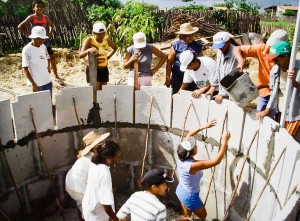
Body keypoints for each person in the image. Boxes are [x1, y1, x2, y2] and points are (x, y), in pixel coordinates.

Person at [176, 119, 231, 219]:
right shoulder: (192, 165)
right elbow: (216, 161)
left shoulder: (181, 153)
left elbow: (190, 134)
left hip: (181, 190)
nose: (196, 145)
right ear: (192, 152)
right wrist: (225, 142)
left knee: (186, 217)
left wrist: (204, 126)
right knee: (203, 215)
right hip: (190, 195)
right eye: (195, 146)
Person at [234, 29, 288, 114]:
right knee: (260, 115)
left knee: (276, 118)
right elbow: (237, 49)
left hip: (279, 93)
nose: (271, 50)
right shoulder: (262, 49)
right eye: (270, 47)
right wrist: (241, 62)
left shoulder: (287, 59)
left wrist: (261, 85)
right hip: (264, 93)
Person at [256, 41, 300, 141]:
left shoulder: (298, 69)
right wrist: (268, 109)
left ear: (287, 57)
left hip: (296, 113)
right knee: (282, 138)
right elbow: (273, 92)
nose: (274, 62)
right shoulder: (275, 70)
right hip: (282, 111)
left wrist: (295, 82)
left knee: (289, 140)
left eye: (277, 59)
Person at [65, 131, 110, 220]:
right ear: (96, 147)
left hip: (72, 182)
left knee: (82, 204)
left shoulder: (90, 156)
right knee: (88, 208)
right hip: (77, 185)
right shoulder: (93, 160)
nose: (103, 145)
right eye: (101, 144)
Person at [18, 0, 61, 82]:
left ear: (44, 8)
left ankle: (55, 75)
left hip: (44, 41)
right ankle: (34, 76)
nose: (40, 8)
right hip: (35, 42)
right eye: (37, 6)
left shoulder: (45, 18)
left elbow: (51, 25)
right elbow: (20, 26)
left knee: (51, 57)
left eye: (41, 6)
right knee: (36, 58)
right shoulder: (32, 17)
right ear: (34, 8)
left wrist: (49, 33)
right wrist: (29, 34)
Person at [82, 139, 121, 221]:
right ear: (110, 155)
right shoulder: (104, 173)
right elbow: (106, 203)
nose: (119, 155)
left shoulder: (95, 164)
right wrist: (115, 219)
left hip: (89, 206)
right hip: (97, 215)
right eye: (118, 153)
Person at [166, 23, 203, 94]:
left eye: (190, 35)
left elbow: (201, 61)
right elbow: (169, 63)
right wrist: (167, 78)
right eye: (185, 36)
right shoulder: (176, 45)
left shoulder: (197, 46)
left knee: (191, 97)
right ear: (181, 36)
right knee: (177, 96)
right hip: (178, 77)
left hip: (192, 78)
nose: (188, 37)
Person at [79, 21, 118, 90]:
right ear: (94, 33)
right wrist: (88, 50)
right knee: (94, 91)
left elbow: (115, 48)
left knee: (103, 91)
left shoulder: (106, 40)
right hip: (93, 69)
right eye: (99, 34)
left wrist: (108, 57)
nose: (101, 36)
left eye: (103, 34)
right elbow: (80, 55)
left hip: (104, 69)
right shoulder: (89, 40)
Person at [205, 31, 238, 104]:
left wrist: (222, 94)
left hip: (234, 91)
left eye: (221, 45)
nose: (220, 48)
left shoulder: (235, 52)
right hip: (223, 89)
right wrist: (213, 87)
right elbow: (218, 71)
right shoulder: (220, 51)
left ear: (228, 42)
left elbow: (232, 75)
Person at [21, 26, 52, 95]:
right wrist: (33, 84)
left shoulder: (43, 46)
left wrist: (48, 67)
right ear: (33, 38)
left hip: (47, 81)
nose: (41, 41)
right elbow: (25, 69)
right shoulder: (27, 49)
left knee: (48, 103)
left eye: (42, 39)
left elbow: (48, 57)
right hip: (37, 84)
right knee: (38, 105)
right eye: (39, 39)